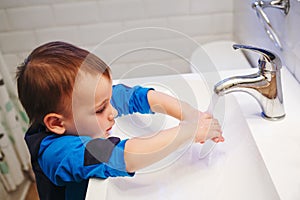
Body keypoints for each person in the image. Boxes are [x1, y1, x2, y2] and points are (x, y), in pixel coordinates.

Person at [16, 41, 223, 200]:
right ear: (57, 124)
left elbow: (136, 98)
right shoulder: (57, 153)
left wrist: (190, 114)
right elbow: (123, 156)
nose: (113, 112)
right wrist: (187, 132)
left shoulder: (80, 105)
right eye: (100, 109)